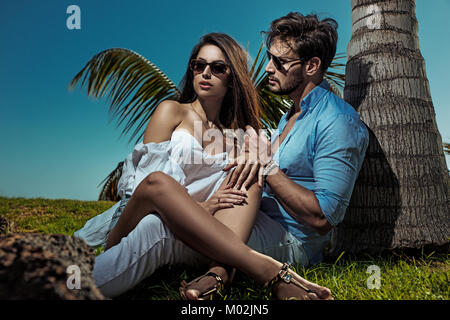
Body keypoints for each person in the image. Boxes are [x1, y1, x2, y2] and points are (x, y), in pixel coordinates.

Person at [74, 32, 332, 300]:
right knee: (159, 184)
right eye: (199, 65)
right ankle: (266, 270)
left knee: (250, 175)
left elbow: (248, 190)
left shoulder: (241, 137)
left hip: (199, 232)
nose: (205, 73)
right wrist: (203, 207)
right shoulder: (171, 111)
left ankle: (219, 272)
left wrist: (255, 160)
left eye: (217, 68)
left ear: (232, 78)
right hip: (135, 218)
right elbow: (142, 189)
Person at [179, 12, 369, 299]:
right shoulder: (290, 116)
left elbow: (322, 217)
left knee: (171, 235)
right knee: (176, 218)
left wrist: (266, 167)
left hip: (293, 239)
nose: (268, 68)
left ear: (312, 66)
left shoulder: (337, 121)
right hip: (254, 216)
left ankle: (224, 273)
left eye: (279, 62)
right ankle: (221, 271)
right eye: (270, 57)